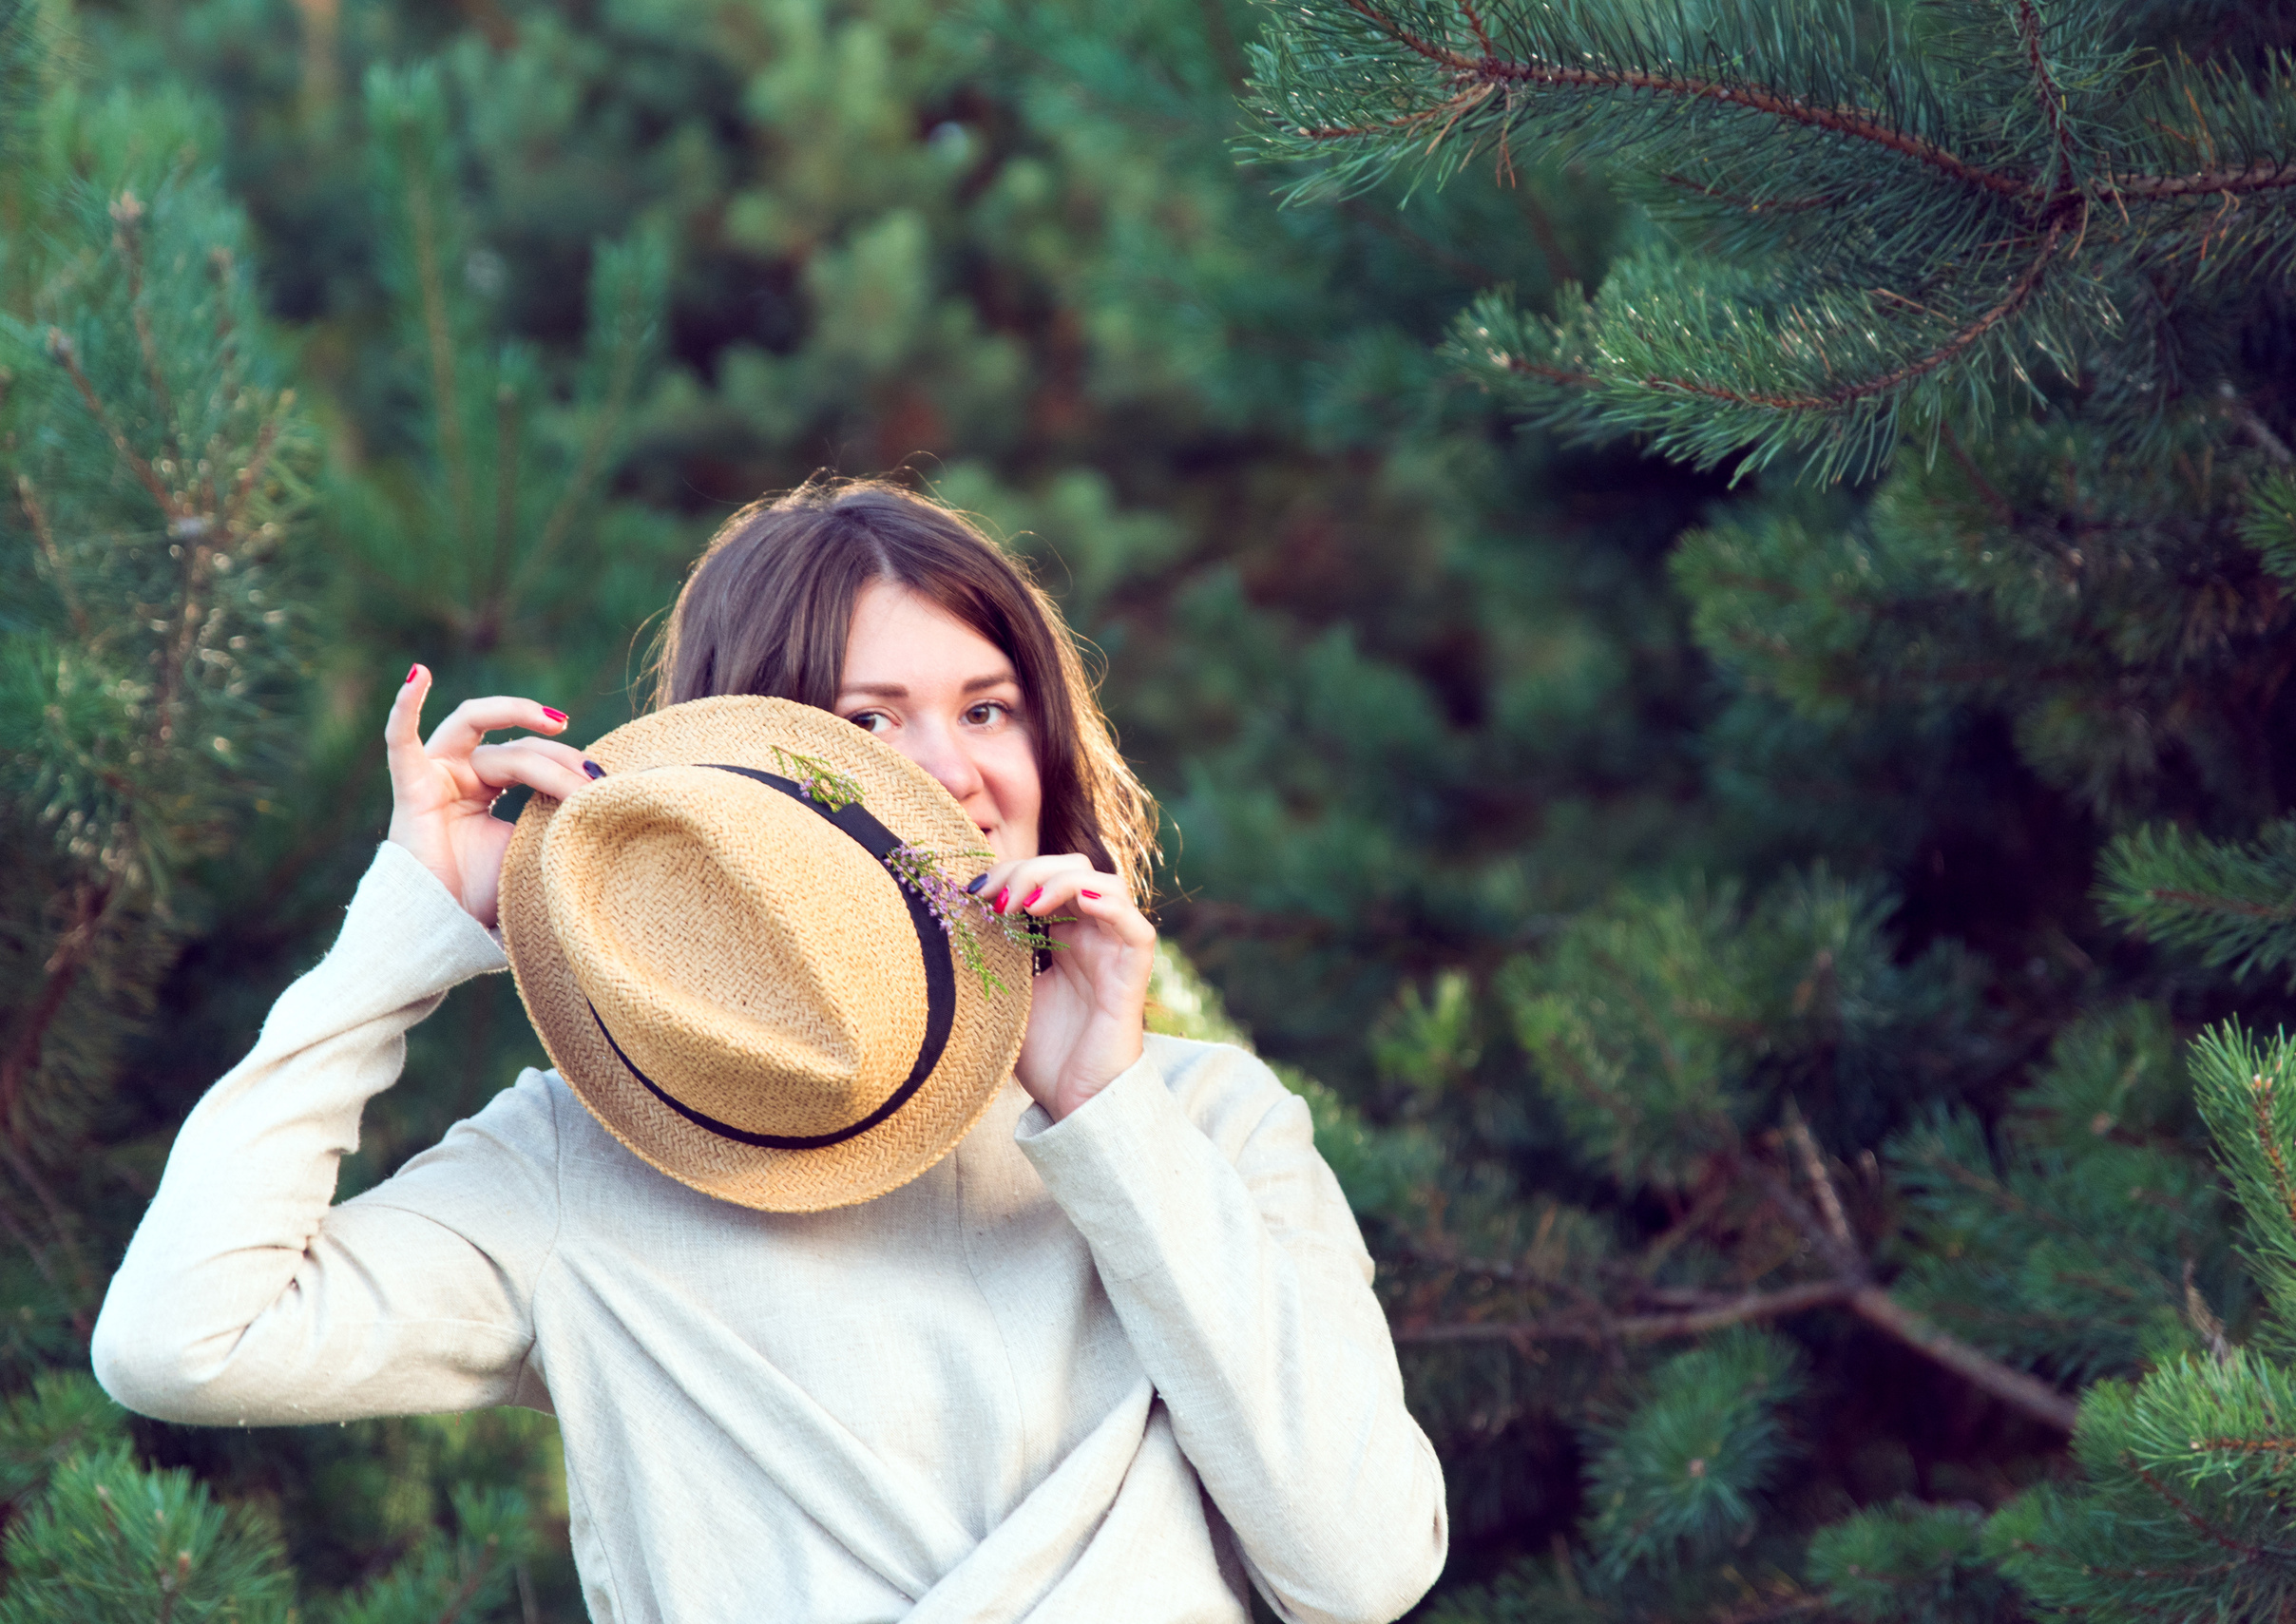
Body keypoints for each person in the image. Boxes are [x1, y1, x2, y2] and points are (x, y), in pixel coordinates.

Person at [89, 479, 1448, 1623]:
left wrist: (1101, 1103)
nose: (952, 773)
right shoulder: (580, 1154)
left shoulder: (1207, 1118)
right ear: (744, 785)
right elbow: (180, 1340)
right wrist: (408, 931)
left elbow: (1362, 1568)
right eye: (869, 725)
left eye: (987, 708)